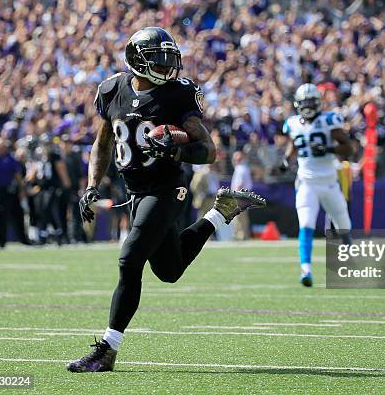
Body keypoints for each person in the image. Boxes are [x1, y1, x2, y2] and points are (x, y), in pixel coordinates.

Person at [68, 27, 265, 373]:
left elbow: (208, 150)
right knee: (169, 270)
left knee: (130, 260)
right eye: (157, 60)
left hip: (167, 187)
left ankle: (108, 349)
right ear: (136, 60)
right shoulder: (111, 89)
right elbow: (103, 143)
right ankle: (220, 213)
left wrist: (177, 148)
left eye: (168, 60)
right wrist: (91, 185)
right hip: (135, 191)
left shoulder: (177, 94)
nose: (166, 68)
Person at [280, 83, 353, 287]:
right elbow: (293, 143)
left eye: (312, 102)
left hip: (329, 181)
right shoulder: (293, 123)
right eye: (305, 102)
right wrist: (287, 160)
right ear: (298, 104)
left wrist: (329, 149)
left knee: (343, 223)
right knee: (306, 224)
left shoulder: (329, 120)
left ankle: (348, 252)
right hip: (306, 182)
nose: (309, 106)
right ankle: (306, 270)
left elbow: (349, 147)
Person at [230, 151, 253, 240]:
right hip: (245, 195)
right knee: (243, 217)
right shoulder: (244, 168)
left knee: (238, 217)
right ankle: (243, 235)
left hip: (240, 195)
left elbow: (239, 185)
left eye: (237, 159)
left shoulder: (240, 169)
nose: (235, 160)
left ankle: (240, 235)